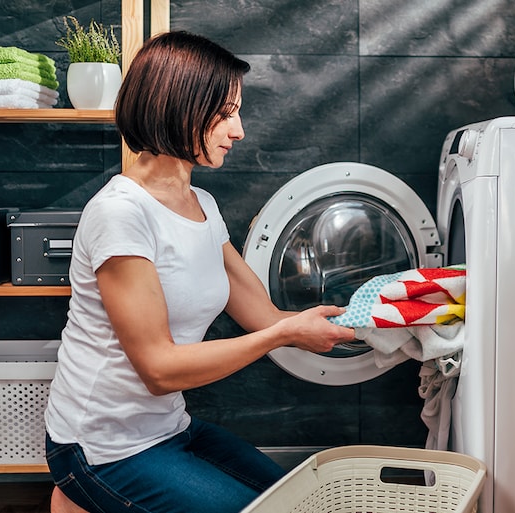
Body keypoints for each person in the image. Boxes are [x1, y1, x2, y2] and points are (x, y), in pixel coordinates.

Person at [44, 31, 355, 513]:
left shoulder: (203, 206)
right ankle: (78, 491)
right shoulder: (121, 213)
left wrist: (368, 323)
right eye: (226, 113)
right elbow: (159, 370)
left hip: (170, 430)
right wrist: (283, 336)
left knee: (302, 502)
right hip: (102, 448)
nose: (240, 131)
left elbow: (264, 316)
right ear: (179, 107)